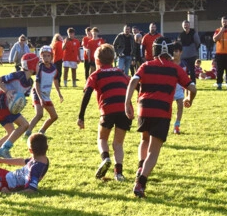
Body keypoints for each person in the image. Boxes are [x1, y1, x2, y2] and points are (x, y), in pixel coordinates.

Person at [125, 37, 197, 198]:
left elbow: (133, 81)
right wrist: (189, 100)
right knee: (154, 150)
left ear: (153, 51)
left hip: (144, 109)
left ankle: (140, 166)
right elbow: (193, 88)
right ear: (171, 51)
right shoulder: (176, 69)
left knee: (144, 140)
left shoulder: (146, 65)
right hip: (161, 111)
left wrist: (127, 103)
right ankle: (140, 183)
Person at [77, 44, 131, 182]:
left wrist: (81, 117)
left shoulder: (96, 75)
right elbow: (133, 84)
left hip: (108, 110)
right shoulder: (120, 72)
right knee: (118, 144)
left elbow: (87, 94)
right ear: (113, 59)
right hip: (124, 111)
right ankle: (118, 174)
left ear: (97, 60)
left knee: (102, 139)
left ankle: (105, 158)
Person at [0, 53, 39, 161]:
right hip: (0, 103)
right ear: (31, 65)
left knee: (11, 132)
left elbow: (22, 98)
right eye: (37, 64)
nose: (39, 66)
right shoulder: (17, 75)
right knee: (24, 124)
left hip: (1, 106)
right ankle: (5, 149)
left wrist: (22, 103)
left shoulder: (30, 82)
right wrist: (7, 91)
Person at [24, 46, 63, 138]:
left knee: (54, 116)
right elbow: (36, 84)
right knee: (39, 114)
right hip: (37, 93)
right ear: (41, 57)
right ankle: (27, 133)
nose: (46, 58)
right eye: (44, 56)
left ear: (52, 57)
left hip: (46, 95)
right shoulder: (40, 68)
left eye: (48, 56)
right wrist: (40, 98)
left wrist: (59, 93)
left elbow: (55, 80)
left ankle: (41, 131)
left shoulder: (54, 68)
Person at [213, 16, 227, 90]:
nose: (224, 23)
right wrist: (221, 31)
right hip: (220, 54)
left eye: (225, 21)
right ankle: (219, 85)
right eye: (223, 22)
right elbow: (215, 39)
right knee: (220, 70)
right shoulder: (218, 30)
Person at [171, 42, 187, 135]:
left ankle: (177, 126)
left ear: (181, 52)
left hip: (179, 90)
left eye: (176, 51)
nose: (174, 53)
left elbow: (186, 80)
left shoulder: (183, 65)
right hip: (169, 90)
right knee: (167, 109)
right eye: (173, 51)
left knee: (180, 107)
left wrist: (186, 93)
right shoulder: (168, 63)